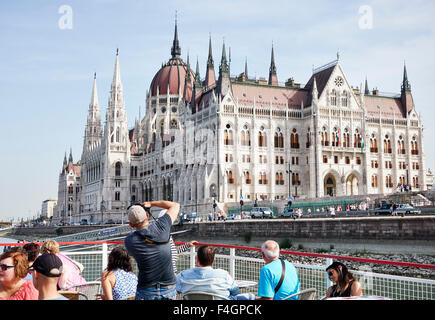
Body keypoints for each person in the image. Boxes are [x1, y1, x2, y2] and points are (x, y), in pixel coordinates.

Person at [124, 200, 180, 300]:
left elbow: (133, 255)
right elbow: (175, 205)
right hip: (168, 287)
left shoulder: (129, 241)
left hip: (146, 288)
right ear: (147, 216)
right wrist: (151, 204)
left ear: (131, 225)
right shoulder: (162, 226)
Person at [176, 245, 255, 300]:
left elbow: (175, 288)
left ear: (197, 259)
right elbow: (235, 292)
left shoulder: (183, 275)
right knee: (251, 296)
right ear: (214, 260)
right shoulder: (223, 275)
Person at [158, 209, 197, 274]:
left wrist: (187, 245)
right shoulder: (160, 236)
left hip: (170, 274)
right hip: (165, 275)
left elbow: (173, 251)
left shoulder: (167, 236)